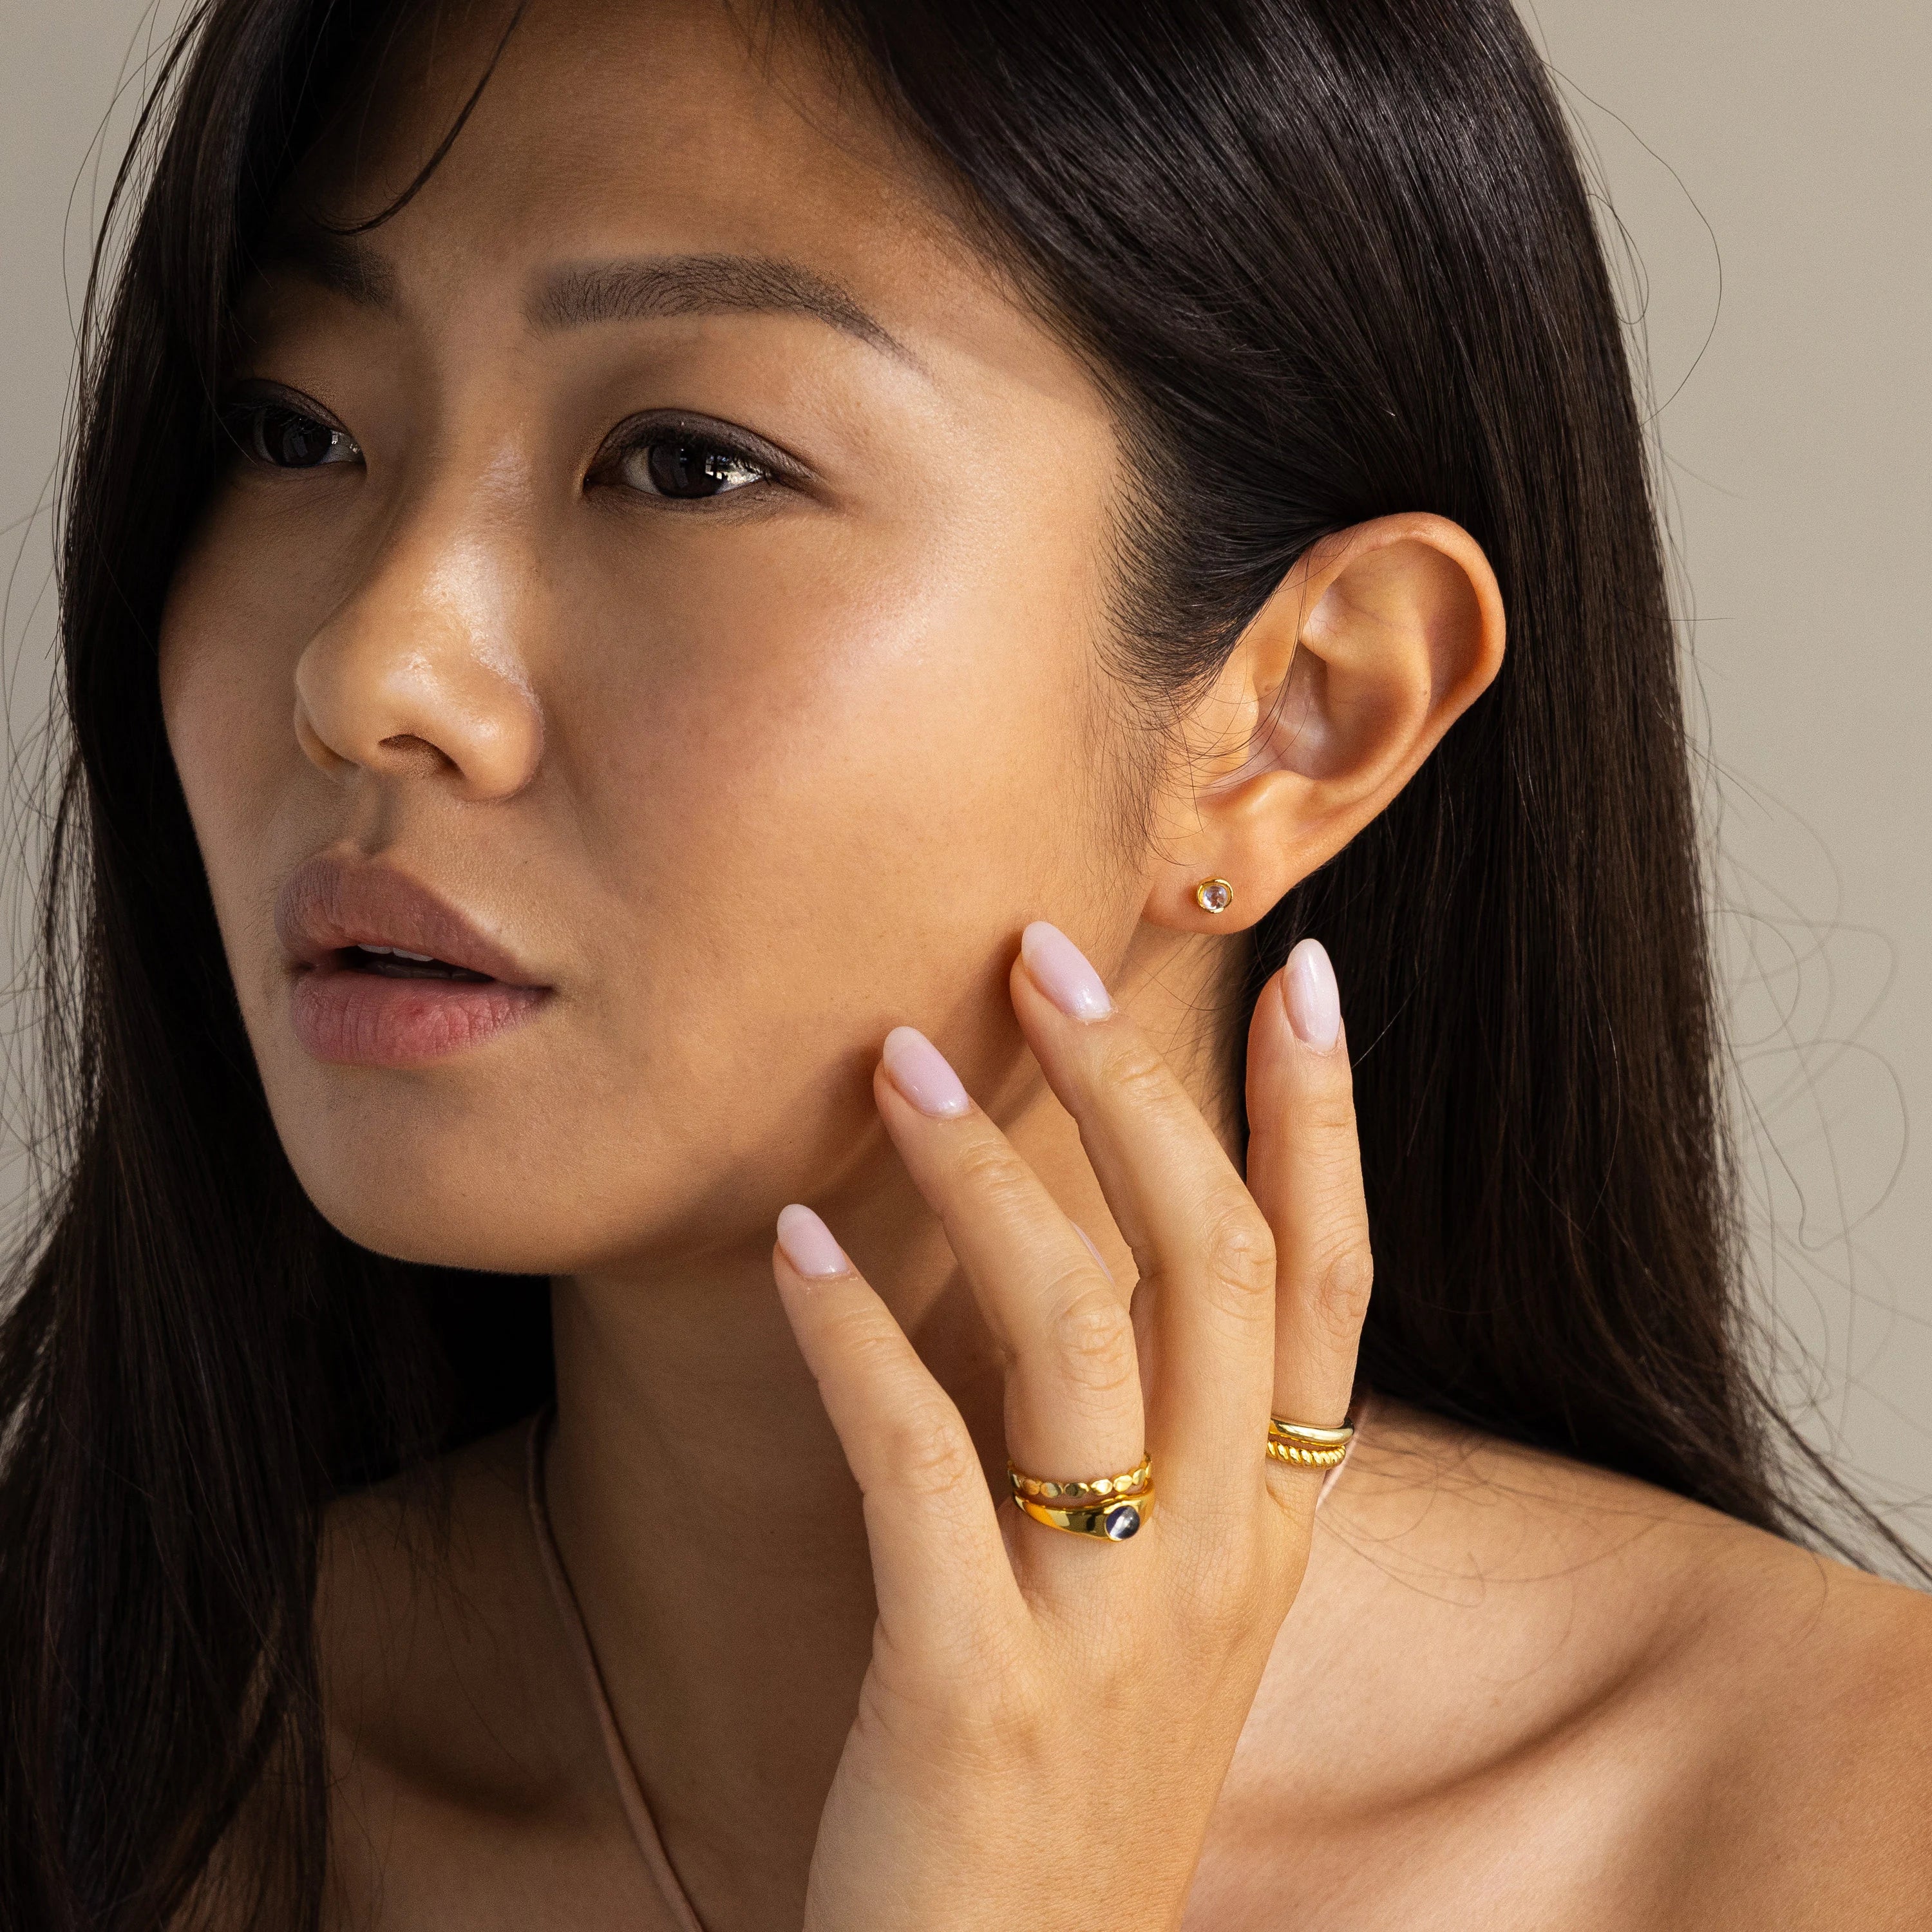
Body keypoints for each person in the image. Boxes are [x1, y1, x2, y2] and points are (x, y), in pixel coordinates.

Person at [2, 0, 1927, 1926]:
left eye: (687, 465)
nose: (368, 670)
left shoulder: (1832, 1821)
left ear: (1297, 714)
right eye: (294, 431)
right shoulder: (108, 1769)